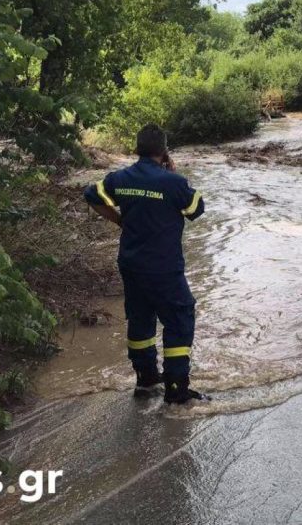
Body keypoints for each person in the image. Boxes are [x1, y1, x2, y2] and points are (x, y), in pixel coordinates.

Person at [83, 124, 209, 405]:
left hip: (131, 264)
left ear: (137, 149)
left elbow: (92, 195)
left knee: (140, 319)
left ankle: (146, 378)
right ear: (164, 151)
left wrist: (118, 220)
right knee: (179, 319)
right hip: (164, 267)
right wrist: (172, 175)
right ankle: (176, 389)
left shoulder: (121, 178)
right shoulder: (172, 182)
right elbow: (195, 210)